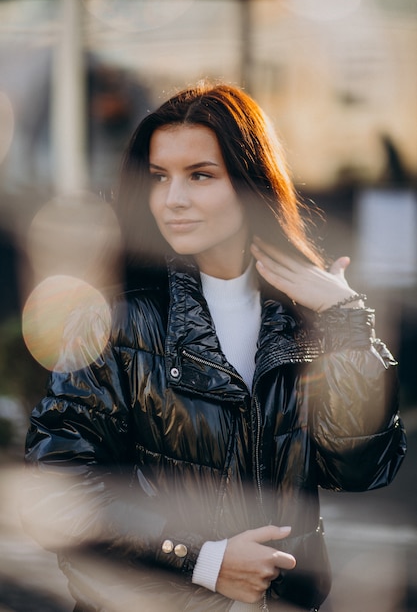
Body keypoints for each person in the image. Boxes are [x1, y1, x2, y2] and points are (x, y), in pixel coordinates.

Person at [23, 82, 406, 612]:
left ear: (252, 185)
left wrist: (344, 322)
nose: (173, 199)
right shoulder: (113, 321)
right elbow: (58, 489)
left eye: (200, 175)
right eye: (159, 177)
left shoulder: (303, 318)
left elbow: (359, 470)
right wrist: (202, 559)